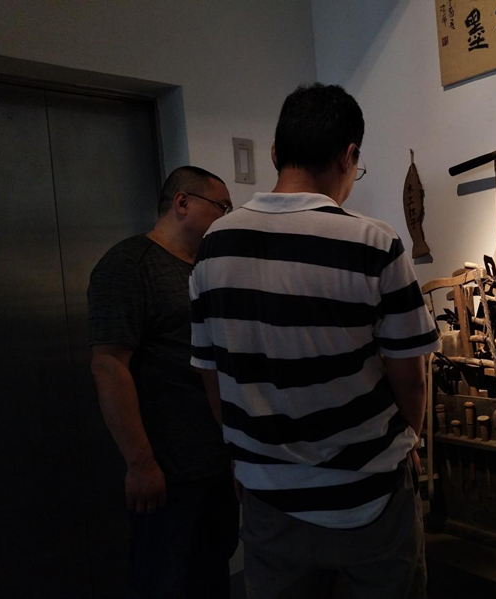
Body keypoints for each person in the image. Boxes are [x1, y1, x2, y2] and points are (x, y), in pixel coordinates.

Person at [189, 83, 440, 599]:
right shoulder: (375, 242)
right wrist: (408, 442)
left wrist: (245, 454)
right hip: (370, 497)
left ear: (275, 153)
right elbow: (410, 377)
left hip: (268, 499)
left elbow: (211, 373)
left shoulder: (214, 246)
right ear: (349, 156)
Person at [88, 166, 239, 598]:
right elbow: (109, 366)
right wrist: (140, 463)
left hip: (216, 460)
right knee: (165, 580)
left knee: (213, 573)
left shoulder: (206, 270)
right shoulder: (129, 266)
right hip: (168, 469)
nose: (226, 218)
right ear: (183, 202)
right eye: (222, 207)